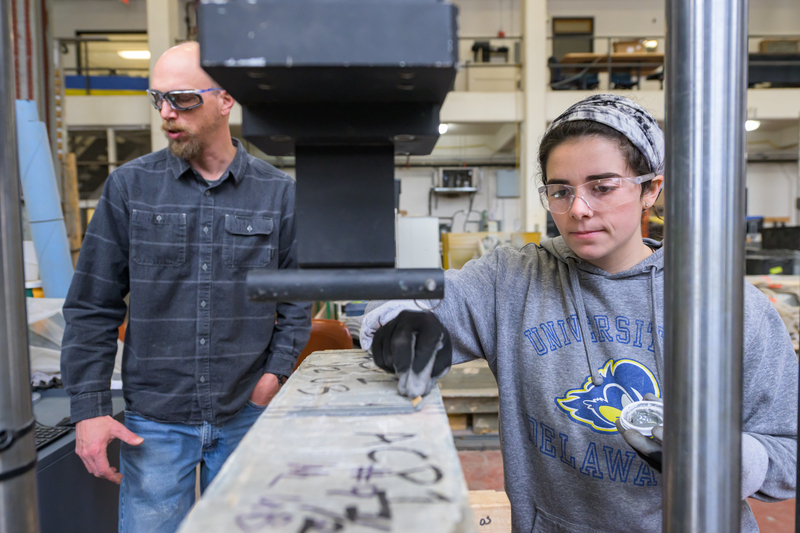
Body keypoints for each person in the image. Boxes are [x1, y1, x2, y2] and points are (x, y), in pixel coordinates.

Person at [360, 94, 797, 532]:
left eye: (602, 187)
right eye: (560, 191)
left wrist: (726, 459)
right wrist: (400, 324)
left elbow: (789, 453)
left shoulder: (727, 305)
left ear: (651, 189)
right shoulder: (513, 279)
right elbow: (395, 301)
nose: (578, 210)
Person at [61, 42, 312, 533]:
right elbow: (92, 305)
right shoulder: (129, 187)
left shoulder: (278, 194)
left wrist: (272, 378)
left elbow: (297, 300)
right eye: (158, 99)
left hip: (244, 412)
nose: (167, 114)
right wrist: (88, 410)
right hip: (154, 423)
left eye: (183, 100)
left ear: (226, 99)